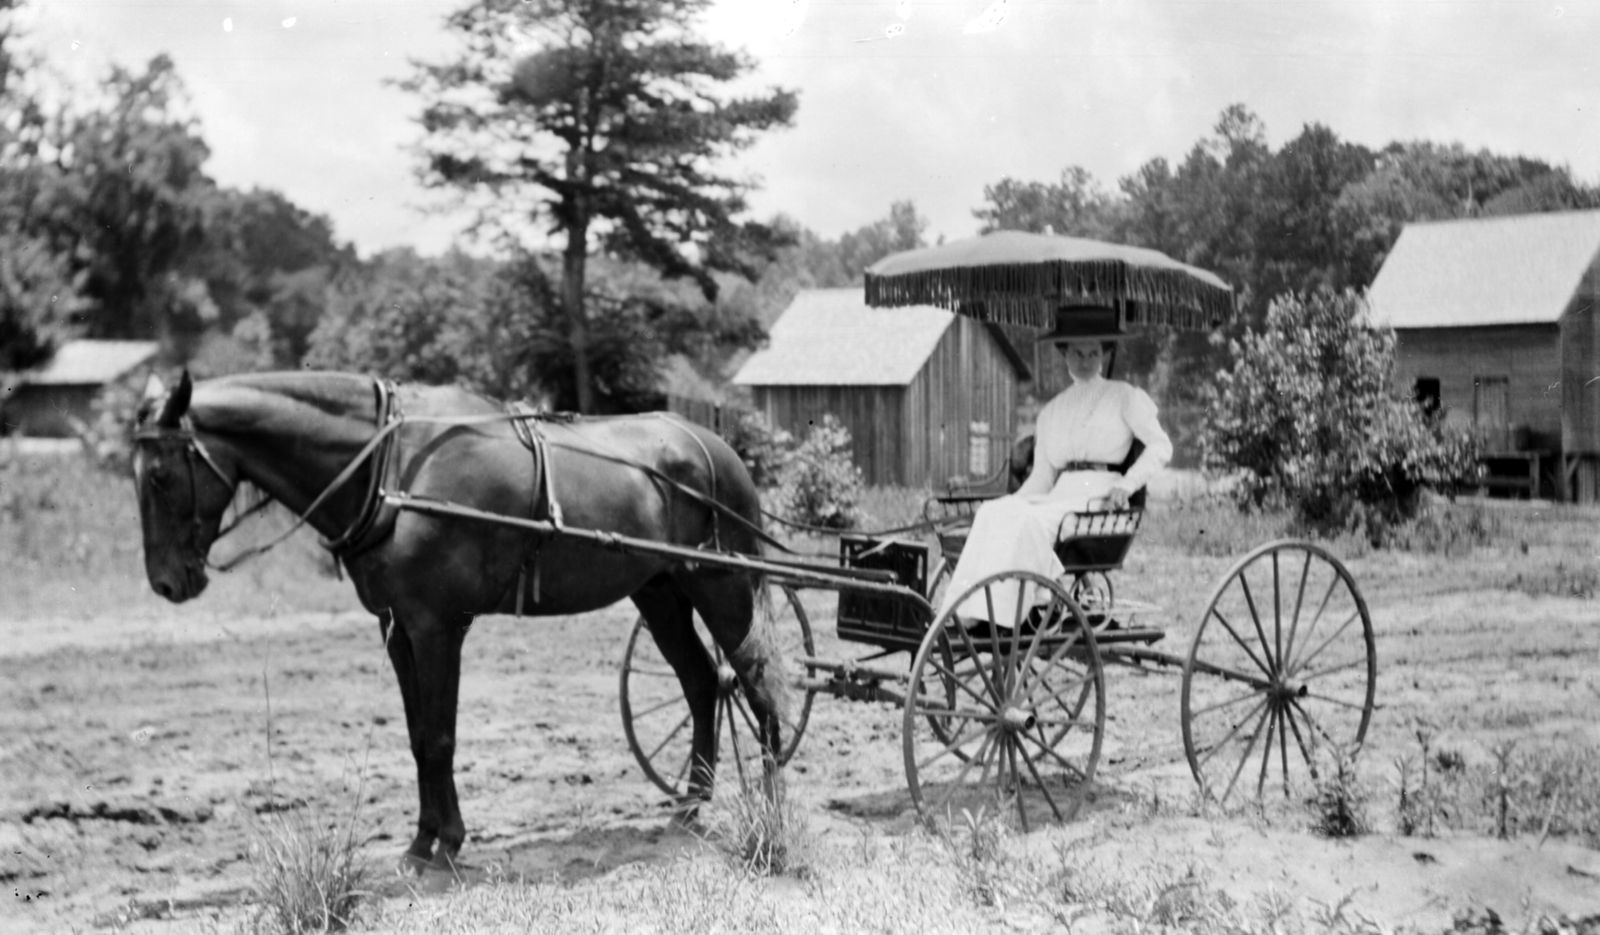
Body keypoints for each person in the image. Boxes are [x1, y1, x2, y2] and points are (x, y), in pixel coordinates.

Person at [939, 337, 1172, 627]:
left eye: (1093, 353)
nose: (1085, 361)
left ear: (1103, 354)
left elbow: (1161, 446)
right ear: (1064, 354)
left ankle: (1004, 615)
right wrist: (1010, 503)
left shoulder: (1124, 396)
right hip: (1061, 495)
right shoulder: (1052, 411)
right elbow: (1042, 478)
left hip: (1099, 496)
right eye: (1077, 353)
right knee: (993, 512)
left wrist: (1127, 485)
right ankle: (967, 613)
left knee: (1028, 522)